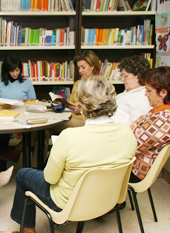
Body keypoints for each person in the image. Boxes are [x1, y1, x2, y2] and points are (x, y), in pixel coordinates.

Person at [11, 76, 137, 233]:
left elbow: (50, 179)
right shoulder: (128, 133)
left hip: (68, 203)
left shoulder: (69, 137)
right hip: (108, 200)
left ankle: (27, 230)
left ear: (82, 106)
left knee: (23, 174)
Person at [43, 50, 101, 159]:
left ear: (92, 66)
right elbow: (71, 104)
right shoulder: (78, 83)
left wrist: (82, 110)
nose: (80, 71)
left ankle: (39, 167)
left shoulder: (100, 84)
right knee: (43, 130)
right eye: (79, 68)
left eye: (83, 67)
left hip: (85, 121)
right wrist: (61, 103)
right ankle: (37, 166)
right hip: (71, 118)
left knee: (47, 124)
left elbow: (100, 108)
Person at [130, 66, 170, 182]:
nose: (146, 94)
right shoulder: (162, 111)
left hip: (133, 170)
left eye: (149, 91)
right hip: (130, 162)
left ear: (163, 92)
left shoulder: (165, 120)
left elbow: (130, 146)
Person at [0, 55, 36, 163]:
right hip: (4, 117)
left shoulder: (27, 83)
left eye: (17, 70)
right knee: (2, 136)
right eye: (12, 71)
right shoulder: (0, 82)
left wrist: (28, 102)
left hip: (23, 116)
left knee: (32, 133)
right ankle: (2, 165)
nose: (15, 73)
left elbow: (34, 102)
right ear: (6, 71)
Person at [111, 55, 152, 125]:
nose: (122, 79)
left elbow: (137, 126)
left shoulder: (143, 98)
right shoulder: (124, 94)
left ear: (138, 76)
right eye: (122, 76)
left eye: (126, 76)